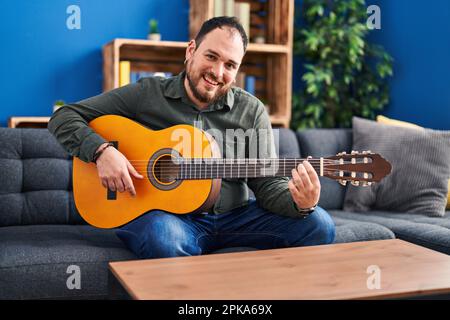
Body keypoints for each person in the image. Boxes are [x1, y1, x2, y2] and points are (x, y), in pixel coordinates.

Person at [48, 16, 335, 259]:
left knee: (319, 224)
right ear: (191, 51)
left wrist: (300, 202)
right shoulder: (146, 93)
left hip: (236, 218)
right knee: (162, 235)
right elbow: (63, 116)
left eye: (230, 65)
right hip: (170, 219)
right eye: (211, 56)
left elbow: (268, 183)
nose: (217, 72)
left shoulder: (252, 111)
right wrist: (102, 152)